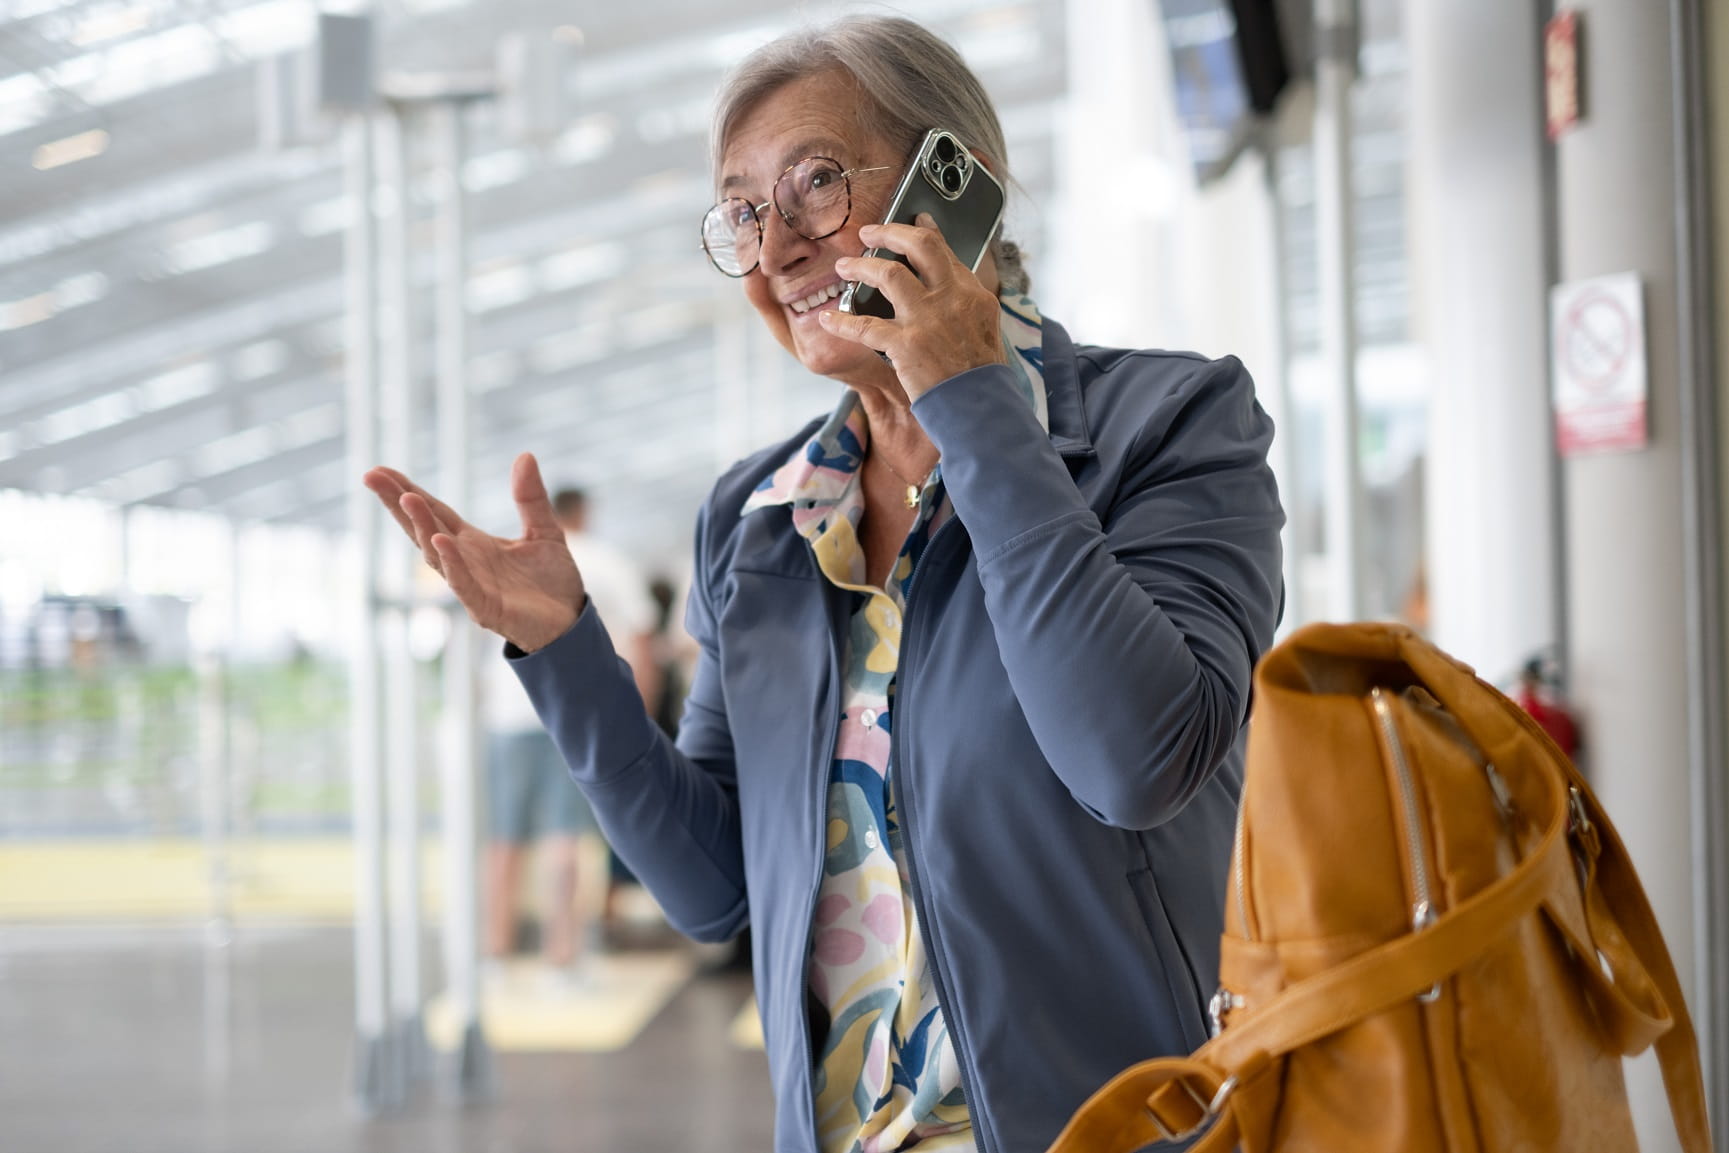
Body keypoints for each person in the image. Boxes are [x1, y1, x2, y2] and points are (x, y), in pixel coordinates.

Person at [365, 16, 1284, 1153]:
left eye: (812, 186)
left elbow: (1135, 760)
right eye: (743, 212)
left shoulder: (1171, 425)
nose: (776, 249)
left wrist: (966, 397)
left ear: (958, 189)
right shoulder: (755, 522)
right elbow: (713, 890)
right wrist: (567, 655)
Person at [479, 487, 658, 974]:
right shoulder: (609, 562)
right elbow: (642, 641)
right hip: (574, 712)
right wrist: (638, 713)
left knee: (505, 836)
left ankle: (495, 948)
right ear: (586, 512)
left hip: (509, 713)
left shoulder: (514, 559)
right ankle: (562, 953)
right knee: (564, 837)